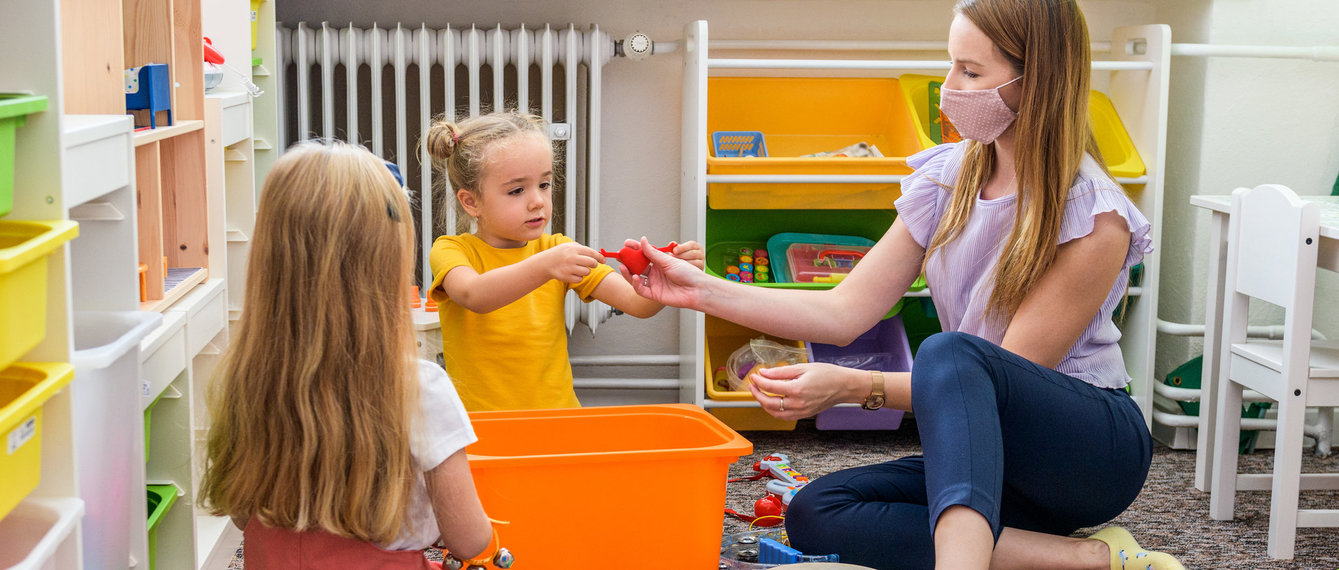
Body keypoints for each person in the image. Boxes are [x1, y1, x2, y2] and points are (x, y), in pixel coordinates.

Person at [625, 1, 1184, 569]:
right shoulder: (949, 177)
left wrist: (849, 387)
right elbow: (844, 311)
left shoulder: (1094, 215)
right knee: (817, 511)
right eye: (951, 67)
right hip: (990, 449)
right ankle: (1091, 560)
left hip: (1084, 450)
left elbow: (993, 383)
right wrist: (698, 289)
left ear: (1035, 81)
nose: (948, 89)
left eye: (970, 73)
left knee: (953, 354)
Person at [198, 142, 506, 569]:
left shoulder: (243, 379)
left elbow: (239, 513)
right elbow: (471, 540)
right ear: (386, 266)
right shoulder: (420, 390)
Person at [424, 111, 703, 411]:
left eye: (544, 185)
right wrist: (546, 265)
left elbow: (637, 304)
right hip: (484, 427)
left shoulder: (557, 250)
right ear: (471, 202)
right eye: (517, 190)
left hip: (559, 418)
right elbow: (473, 294)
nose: (538, 201)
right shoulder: (452, 250)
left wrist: (662, 282)